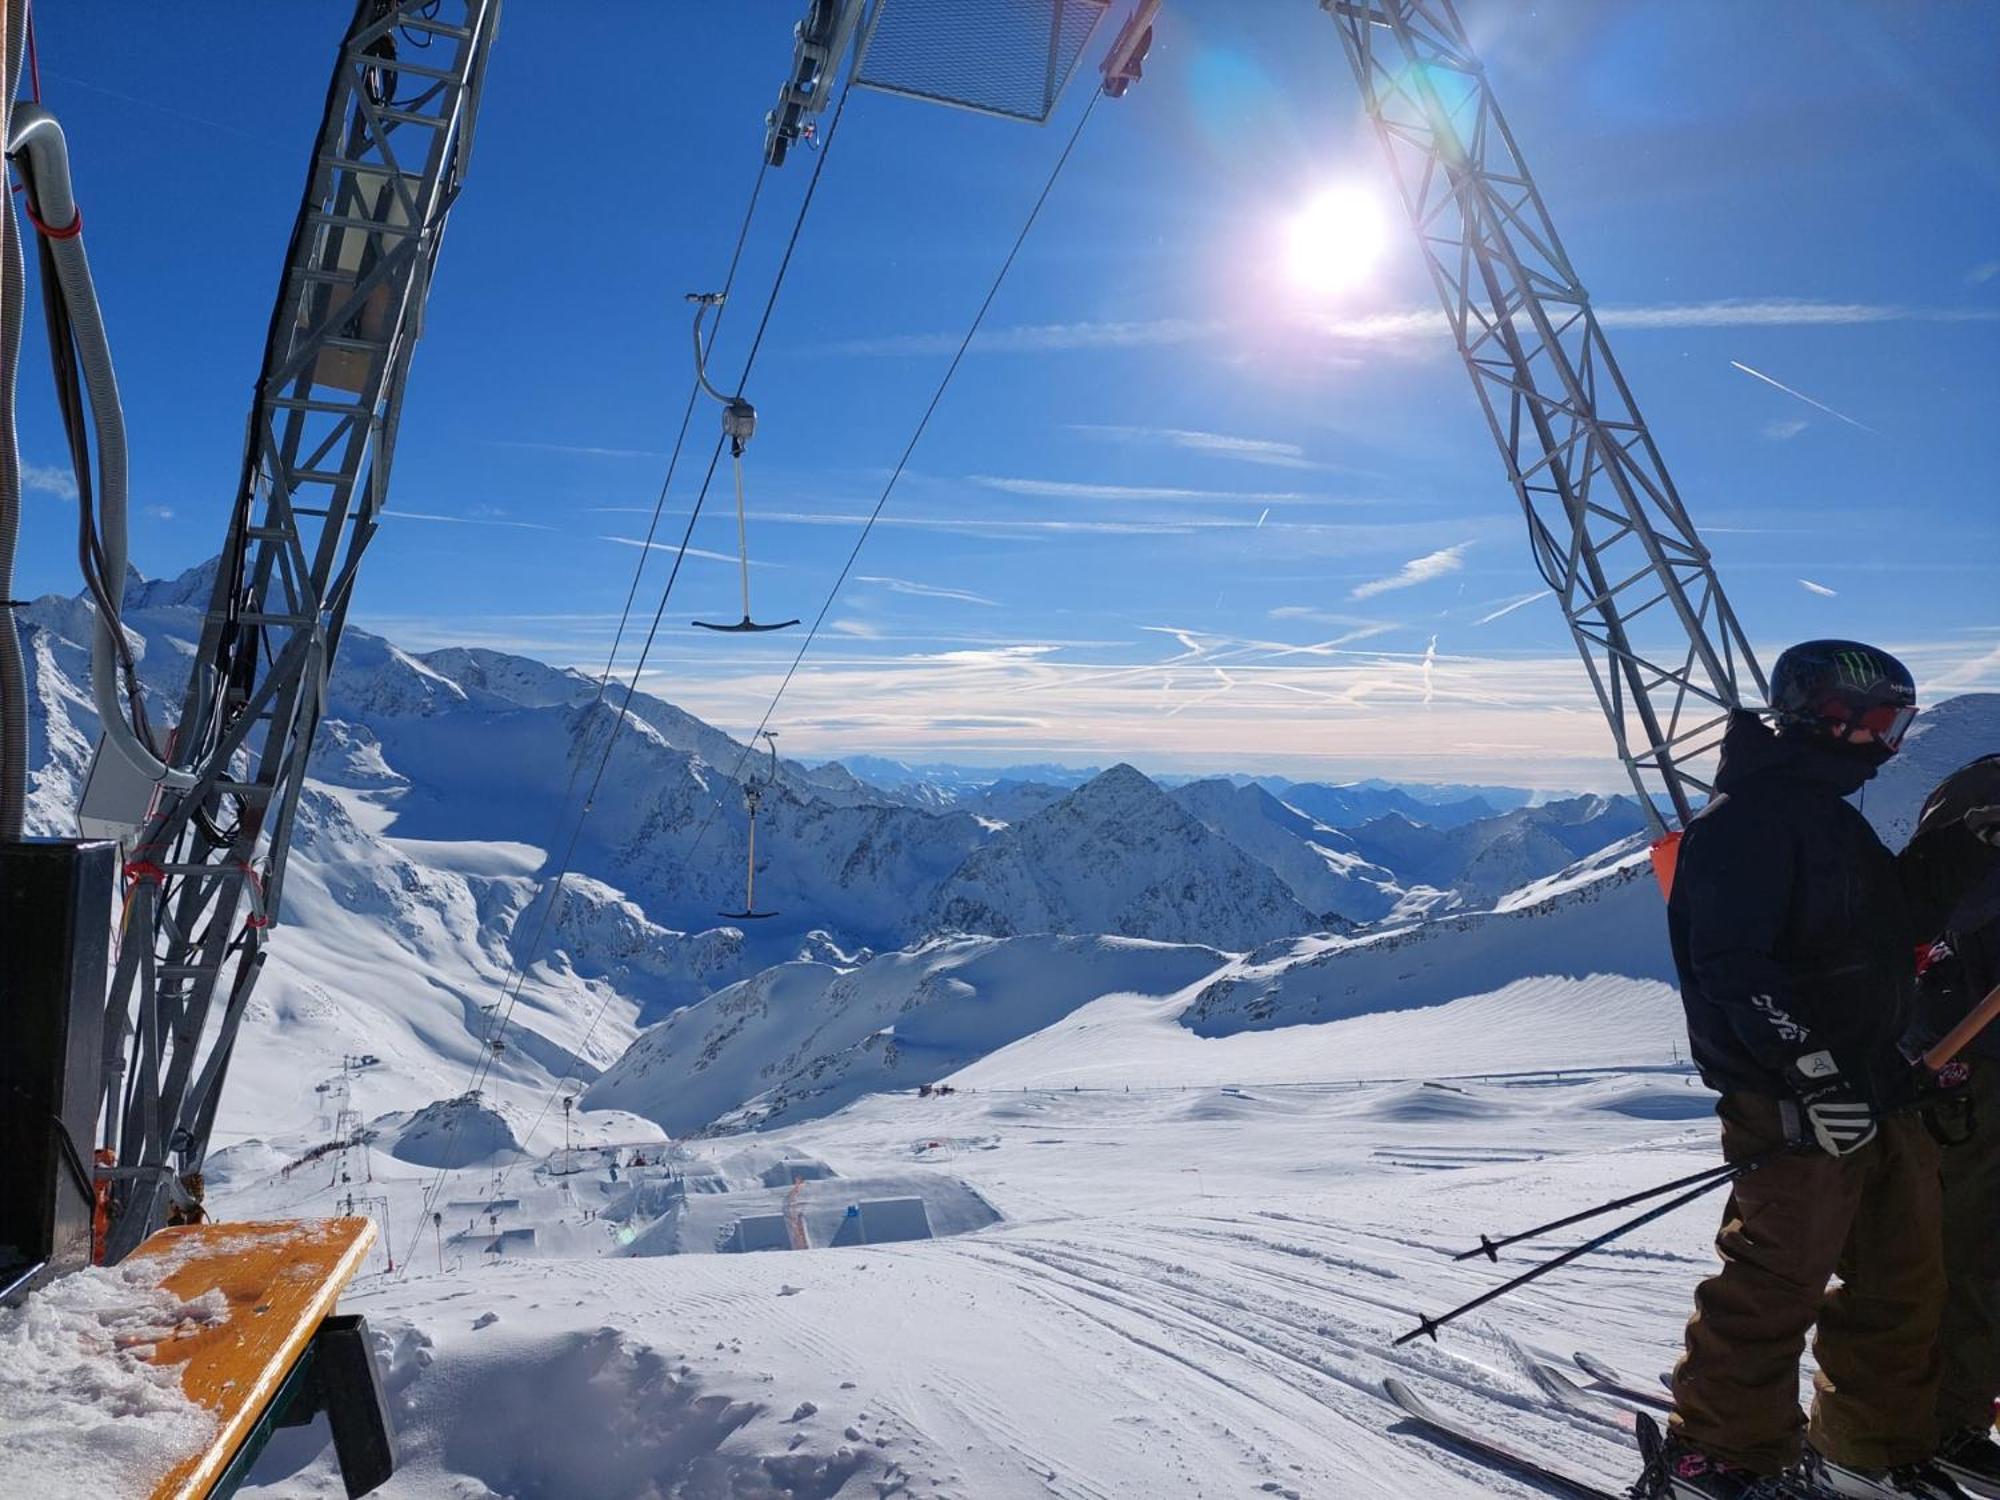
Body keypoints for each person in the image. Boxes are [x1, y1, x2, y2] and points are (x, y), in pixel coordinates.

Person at [1646, 640, 1967, 1499]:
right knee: (1777, 1280)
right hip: (1792, 1098)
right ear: (1805, 714)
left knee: (1902, 1276)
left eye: (1890, 725)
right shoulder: (1746, 820)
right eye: (1856, 720)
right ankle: (1713, 1457)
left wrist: (1965, 860)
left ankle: (1866, 1451)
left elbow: (1879, 944)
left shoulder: (1827, 815)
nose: (1875, 743)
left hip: (1877, 1084)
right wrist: (1813, 1073)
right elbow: (1732, 967)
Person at [1899, 757, 2000, 1498]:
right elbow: (1936, 913)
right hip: (1972, 1058)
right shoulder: (1979, 795)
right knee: (1971, 1249)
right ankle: (1948, 1419)